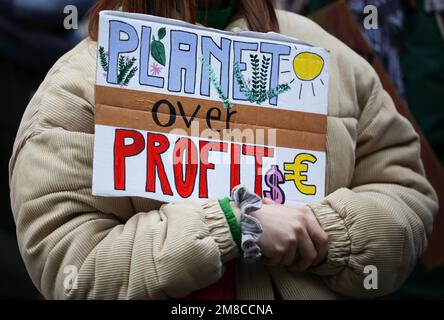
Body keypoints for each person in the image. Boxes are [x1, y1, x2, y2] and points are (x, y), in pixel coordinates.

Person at [9, 0, 438, 300]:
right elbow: (68, 266)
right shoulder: (80, 82)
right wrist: (232, 226)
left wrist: (325, 233)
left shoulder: (325, 55)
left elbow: (407, 196)